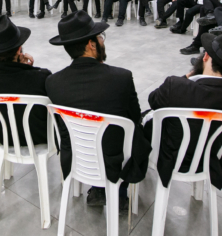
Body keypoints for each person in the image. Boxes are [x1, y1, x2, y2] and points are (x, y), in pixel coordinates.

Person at [46, 11, 151, 209]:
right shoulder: (121, 78)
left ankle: (98, 190)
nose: (102, 41)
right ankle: (119, 194)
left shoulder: (53, 82)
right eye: (100, 37)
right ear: (91, 44)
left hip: (77, 156)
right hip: (114, 159)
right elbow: (135, 118)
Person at [143, 30, 222, 192]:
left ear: (206, 57)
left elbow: (153, 100)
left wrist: (190, 75)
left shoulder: (176, 86)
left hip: (170, 157)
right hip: (211, 158)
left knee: (145, 117)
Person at [0, 16, 51, 149]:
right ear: (19, 49)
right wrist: (27, 69)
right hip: (40, 137)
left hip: (4, 138)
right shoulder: (42, 77)